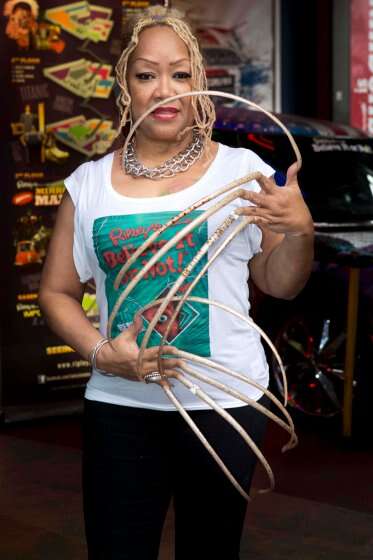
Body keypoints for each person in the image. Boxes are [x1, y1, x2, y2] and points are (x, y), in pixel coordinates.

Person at [39, 6, 314, 560]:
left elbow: (279, 283)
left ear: (199, 84)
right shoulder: (89, 185)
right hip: (120, 404)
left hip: (225, 404)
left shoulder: (242, 173)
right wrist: (99, 352)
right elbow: (57, 291)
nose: (164, 88)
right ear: (126, 86)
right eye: (146, 74)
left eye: (180, 73)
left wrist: (300, 232)